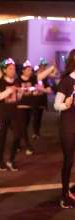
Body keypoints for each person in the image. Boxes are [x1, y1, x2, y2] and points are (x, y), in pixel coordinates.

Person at [54, 49, 75, 208]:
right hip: (68, 124)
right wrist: (65, 104)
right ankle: (64, 195)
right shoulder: (66, 81)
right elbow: (56, 105)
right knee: (68, 160)